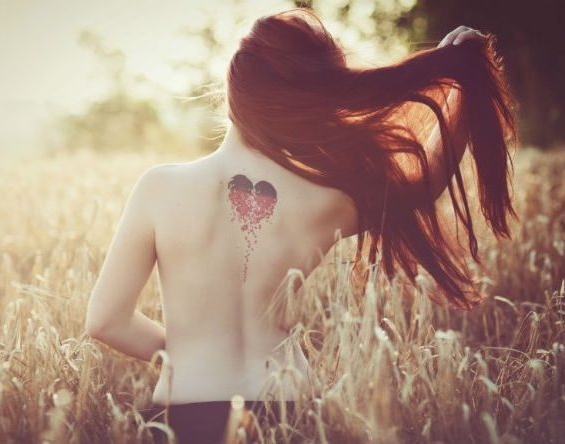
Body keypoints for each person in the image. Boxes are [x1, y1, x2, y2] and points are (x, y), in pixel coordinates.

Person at [84, 7, 517, 444]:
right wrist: (461, 84)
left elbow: (105, 321)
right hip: (288, 416)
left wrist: (187, 353)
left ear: (235, 90)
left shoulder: (159, 188)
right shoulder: (325, 198)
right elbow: (423, 182)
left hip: (181, 418)